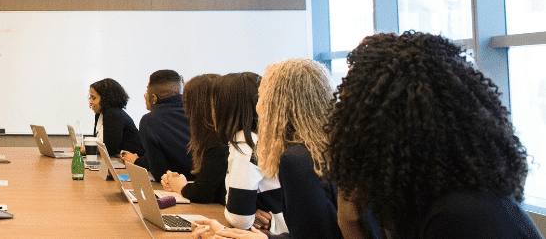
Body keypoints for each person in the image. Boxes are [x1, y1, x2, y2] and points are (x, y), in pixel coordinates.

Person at [325, 32, 541, 239]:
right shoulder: (419, 196)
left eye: (351, 109)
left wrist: (350, 227)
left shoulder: (460, 213)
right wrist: (351, 225)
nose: (343, 122)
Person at [193, 60, 341, 239]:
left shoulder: (296, 159)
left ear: (278, 105)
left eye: (261, 97)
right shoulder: (330, 147)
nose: (257, 106)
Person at [207, 72, 286, 234]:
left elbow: (240, 220)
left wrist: (244, 212)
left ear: (224, 107)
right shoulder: (271, 137)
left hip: (274, 232)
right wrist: (250, 211)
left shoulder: (245, 143)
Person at [162, 73, 225, 204]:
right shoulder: (216, 137)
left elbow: (202, 194)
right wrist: (180, 184)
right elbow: (211, 186)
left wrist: (181, 187)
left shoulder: (218, 143)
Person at [138, 69, 194, 181]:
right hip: (205, 185)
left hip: (177, 186)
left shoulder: (149, 121)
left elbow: (160, 173)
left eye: (147, 91)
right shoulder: (196, 111)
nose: (145, 96)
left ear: (154, 98)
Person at [88, 78, 146, 167]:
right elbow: (98, 143)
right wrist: (89, 149)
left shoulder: (113, 114)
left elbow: (109, 150)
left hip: (133, 165)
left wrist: (91, 149)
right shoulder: (100, 114)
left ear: (105, 99)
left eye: (94, 98)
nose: (90, 101)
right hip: (118, 161)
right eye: (90, 97)